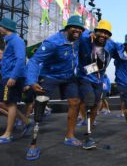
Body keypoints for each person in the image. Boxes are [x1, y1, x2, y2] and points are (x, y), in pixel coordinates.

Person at [25, 15, 85, 160]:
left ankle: (69, 136)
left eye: (80, 28)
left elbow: (91, 33)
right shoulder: (53, 42)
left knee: (75, 102)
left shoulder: (79, 38)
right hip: (51, 76)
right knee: (40, 105)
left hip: (69, 76)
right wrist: (32, 81)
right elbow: (34, 60)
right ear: (67, 28)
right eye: (74, 27)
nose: (77, 30)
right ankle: (33, 145)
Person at [78, 19, 117, 148]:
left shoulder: (110, 45)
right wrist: (88, 33)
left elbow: (125, 48)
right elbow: (79, 32)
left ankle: (89, 123)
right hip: (85, 76)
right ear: (95, 32)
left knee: (95, 105)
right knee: (89, 100)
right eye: (101, 31)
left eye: (106, 33)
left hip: (99, 80)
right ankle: (88, 136)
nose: (103, 35)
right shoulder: (86, 39)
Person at [0, 18, 32, 145]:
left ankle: (8, 134)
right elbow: (12, 59)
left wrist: (13, 77)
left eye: (0, 26)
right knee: (3, 103)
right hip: (8, 75)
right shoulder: (9, 41)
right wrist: (1, 66)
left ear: (6, 27)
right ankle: (26, 121)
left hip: (12, 77)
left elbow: (21, 60)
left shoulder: (16, 40)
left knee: (9, 103)